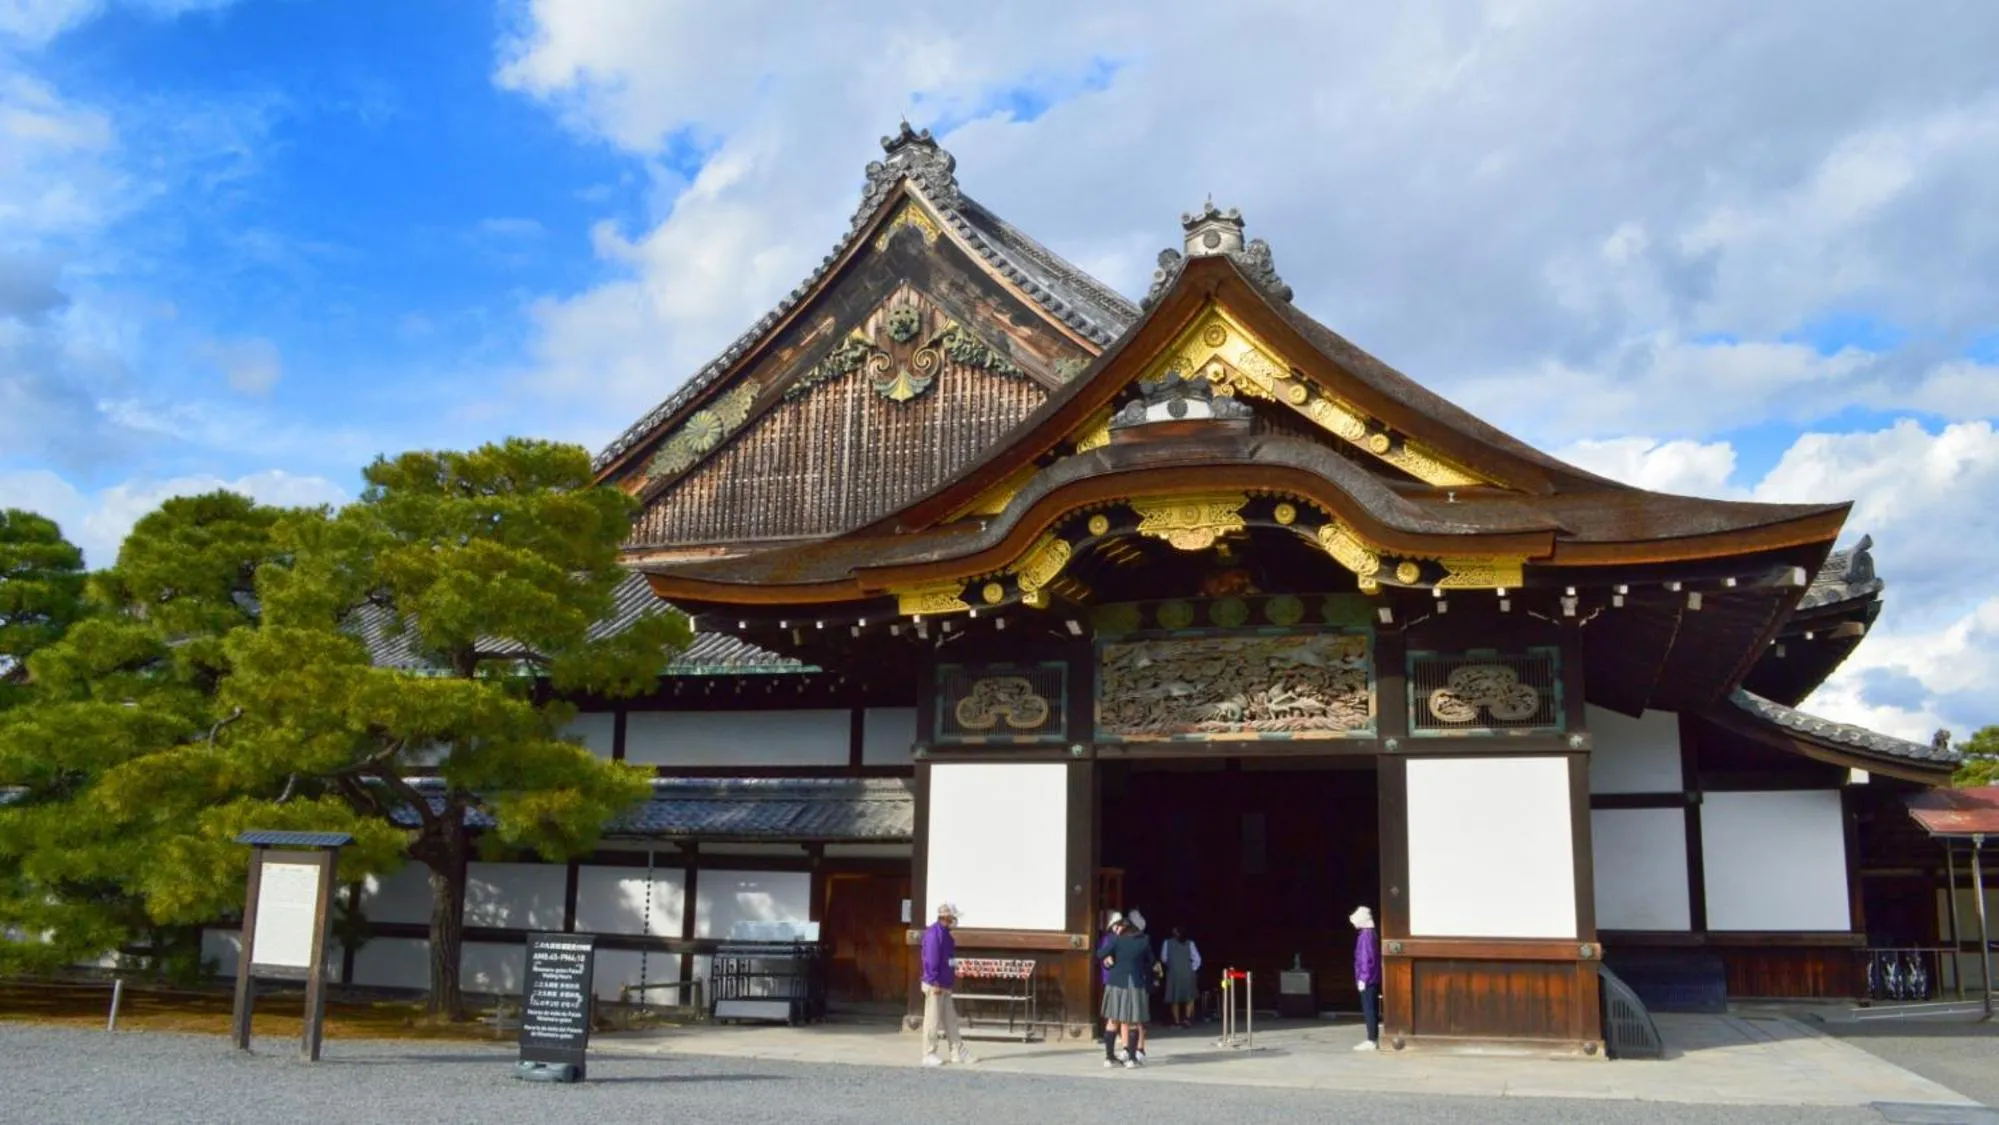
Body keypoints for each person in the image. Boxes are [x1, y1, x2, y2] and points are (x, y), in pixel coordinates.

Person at [1100, 911, 1155, 1068]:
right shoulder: (1143, 941)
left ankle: (1109, 1058)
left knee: (1112, 1020)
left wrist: (1108, 958)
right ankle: (1132, 1058)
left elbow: (1100, 954)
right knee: (1132, 1019)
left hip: (1115, 982)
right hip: (1134, 983)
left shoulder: (1115, 941)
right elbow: (1150, 961)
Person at [920, 902, 972, 1066]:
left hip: (945, 984)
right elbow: (931, 959)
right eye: (953, 917)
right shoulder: (934, 935)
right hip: (935, 984)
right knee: (932, 1020)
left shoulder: (946, 936)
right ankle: (929, 1053)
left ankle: (958, 1051)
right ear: (947, 917)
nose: (955, 920)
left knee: (951, 1021)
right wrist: (934, 981)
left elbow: (947, 960)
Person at [1159, 925, 1202, 1028]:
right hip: (1188, 973)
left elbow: (1164, 958)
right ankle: (1187, 1019)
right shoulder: (1190, 943)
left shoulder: (1167, 943)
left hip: (1173, 973)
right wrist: (1192, 968)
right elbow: (1198, 959)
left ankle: (1177, 1021)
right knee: (1189, 997)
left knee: (1175, 998)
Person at [1351, 904, 1380, 1052]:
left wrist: (1363, 978)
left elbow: (1366, 958)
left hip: (1368, 979)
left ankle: (1371, 1039)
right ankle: (1372, 1037)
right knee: (1371, 1007)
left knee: (1369, 1008)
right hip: (1371, 978)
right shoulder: (1370, 934)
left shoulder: (1365, 936)